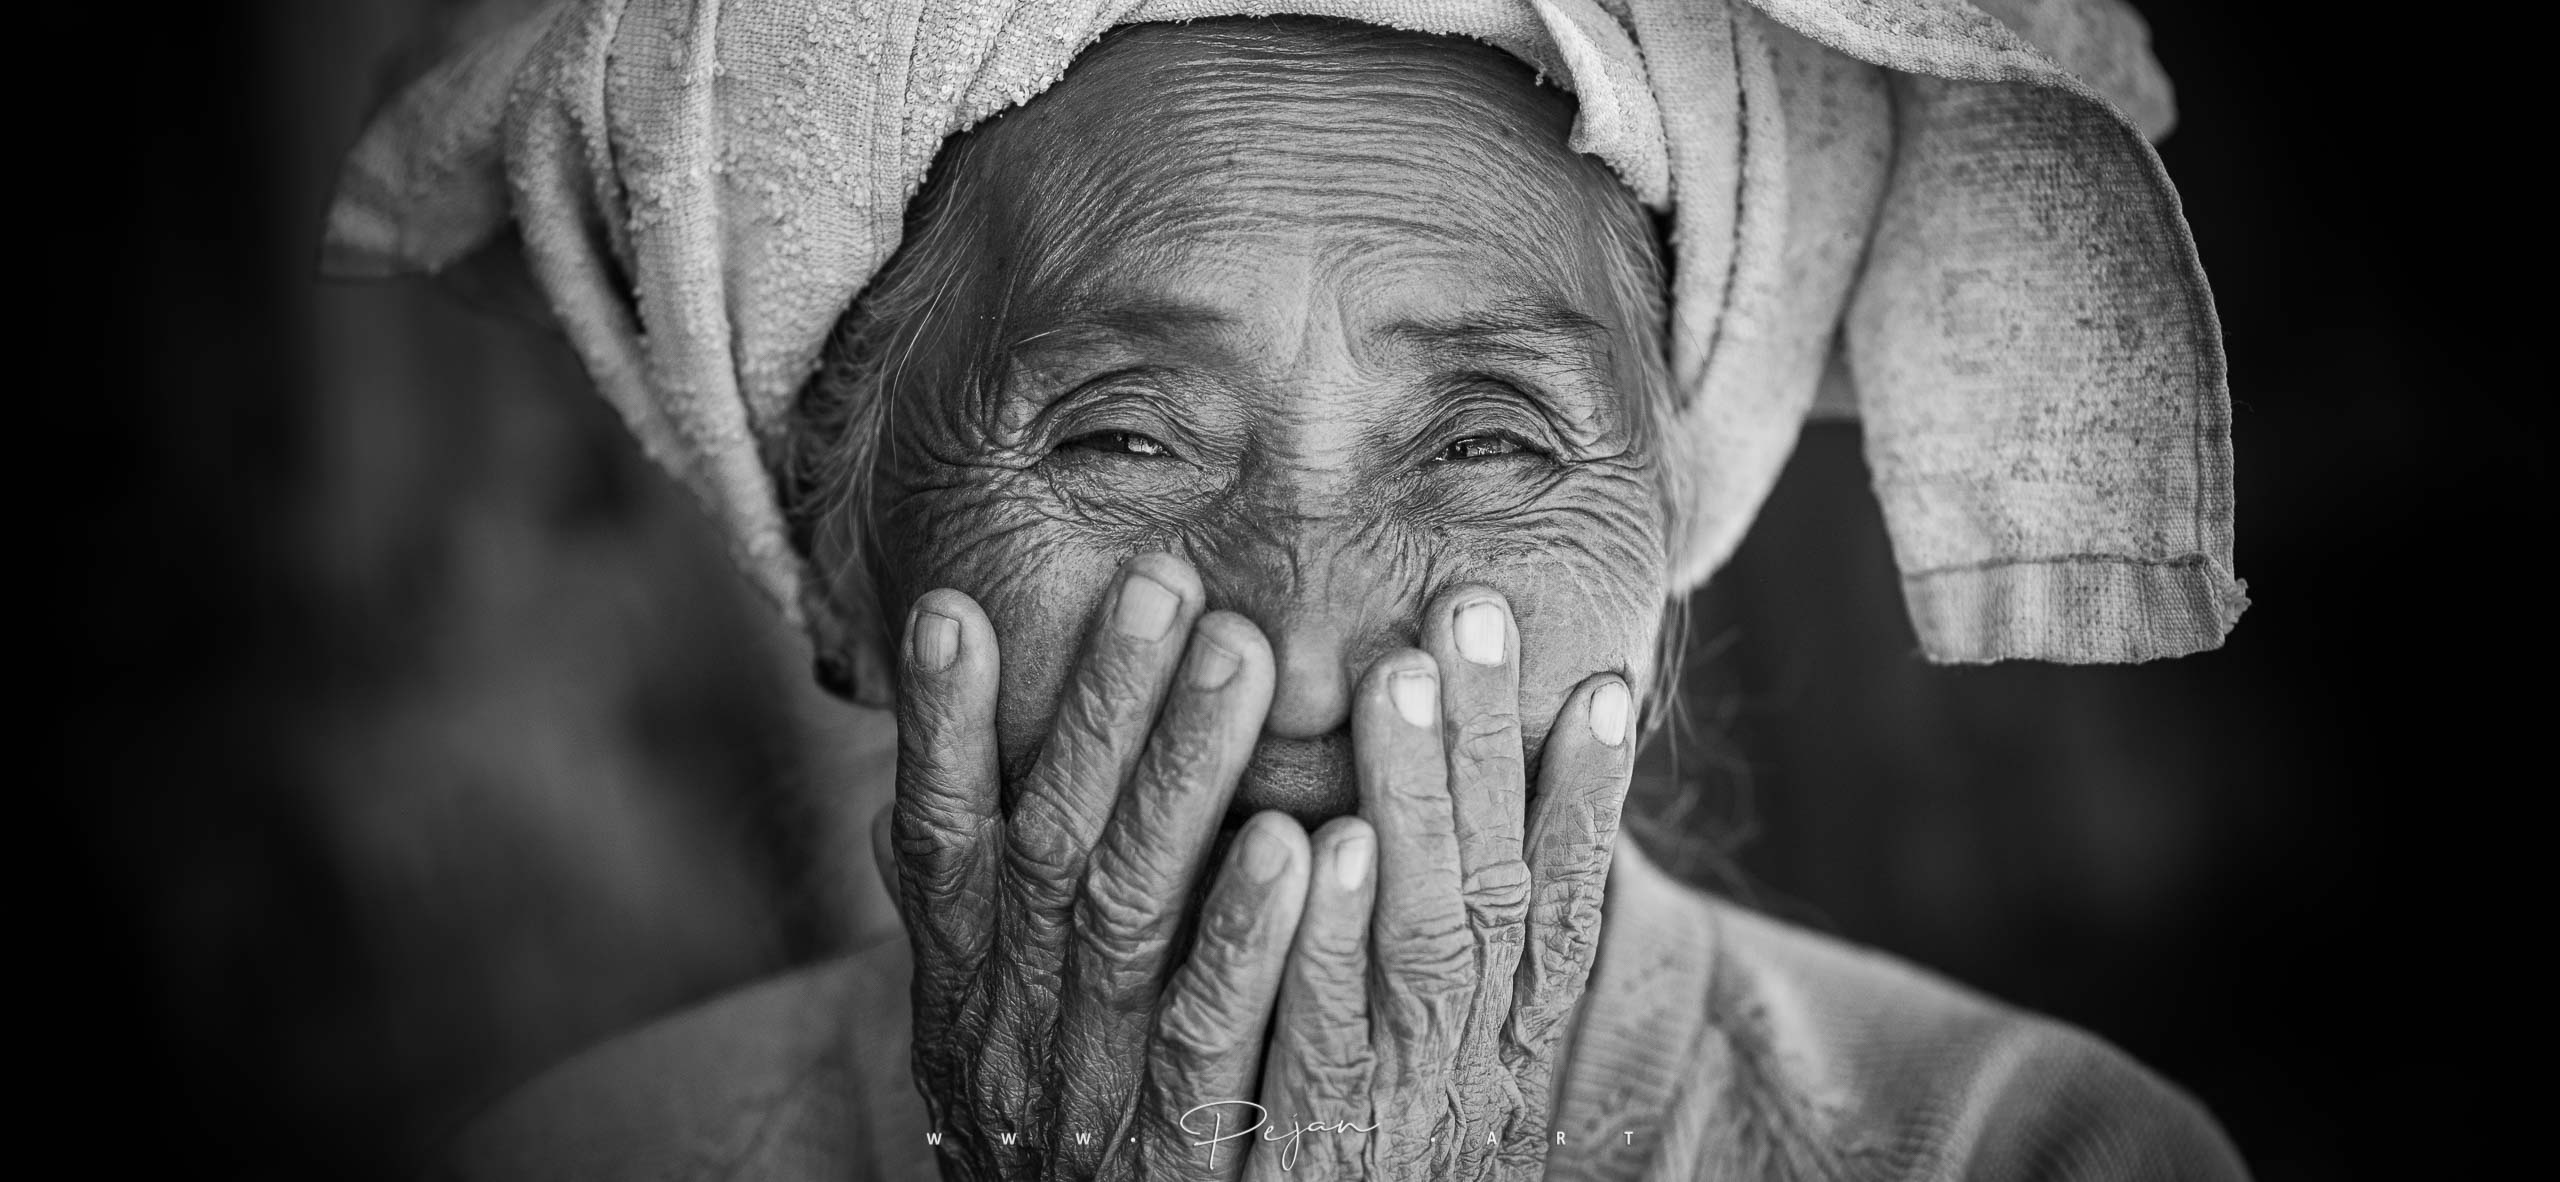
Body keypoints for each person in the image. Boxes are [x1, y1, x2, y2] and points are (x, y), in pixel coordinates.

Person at [330, 2, 2252, 1178]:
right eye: (1123, 440)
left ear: (1665, 566)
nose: (1315, 641)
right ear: (847, 578)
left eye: (1490, 440)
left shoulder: (2034, 1157)